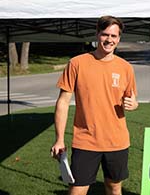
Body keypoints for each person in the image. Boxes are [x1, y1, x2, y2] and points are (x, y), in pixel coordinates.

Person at [51, 15, 138, 195]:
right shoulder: (77, 63)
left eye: (114, 36)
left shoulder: (126, 68)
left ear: (119, 38)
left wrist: (134, 104)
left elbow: (132, 99)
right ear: (97, 34)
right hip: (86, 141)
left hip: (117, 141)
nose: (109, 40)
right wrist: (59, 139)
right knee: (77, 190)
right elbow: (63, 102)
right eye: (105, 34)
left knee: (114, 187)